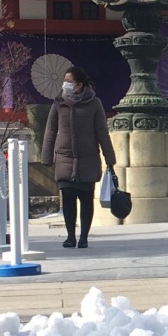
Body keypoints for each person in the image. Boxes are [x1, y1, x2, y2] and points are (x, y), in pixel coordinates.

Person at [41, 65, 116, 248]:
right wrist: (47, 156)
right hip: (64, 158)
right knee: (67, 197)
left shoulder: (94, 103)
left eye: (69, 81)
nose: (65, 84)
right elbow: (51, 130)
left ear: (79, 85)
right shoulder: (58, 103)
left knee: (86, 199)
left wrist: (109, 158)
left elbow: (101, 132)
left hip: (87, 158)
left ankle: (83, 237)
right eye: (64, 81)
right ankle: (70, 236)